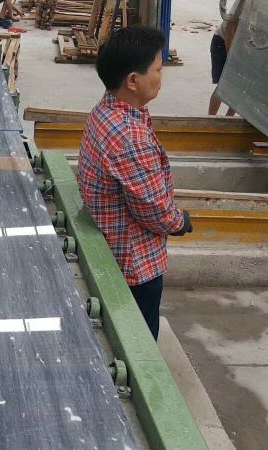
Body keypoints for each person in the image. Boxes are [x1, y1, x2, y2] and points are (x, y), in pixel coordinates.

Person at [76, 26, 193, 339]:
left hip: (112, 245)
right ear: (132, 80)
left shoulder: (106, 111)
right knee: (140, 340)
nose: (161, 76)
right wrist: (178, 222)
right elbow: (152, 209)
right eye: (158, 69)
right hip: (134, 264)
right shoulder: (130, 136)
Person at [208, 0, 246, 115]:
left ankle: (229, 119)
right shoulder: (244, 3)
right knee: (223, 85)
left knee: (240, 87)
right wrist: (231, 58)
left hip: (240, 45)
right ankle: (211, 119)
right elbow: (230, 28)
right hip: (222, 41)